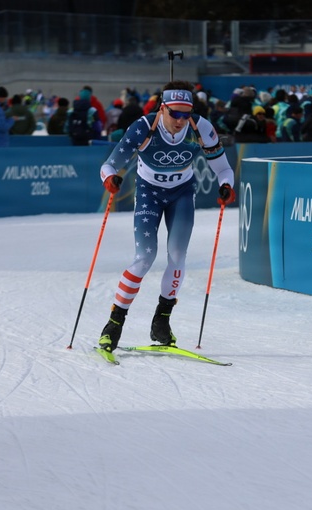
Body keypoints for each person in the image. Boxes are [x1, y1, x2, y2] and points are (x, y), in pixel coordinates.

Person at [96, 81, 236, 357]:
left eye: (186, 114)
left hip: (181, 194)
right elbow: (109, 165)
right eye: (175, 113)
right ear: (162, 109)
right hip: (148, 193)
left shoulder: (201, 128)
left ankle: (161, 321)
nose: (181, 120)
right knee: (144, 257)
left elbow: (224, 169)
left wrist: (226, 186)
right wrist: (110, 179)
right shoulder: (143, 127)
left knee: (177, 255)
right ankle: (114, 323)